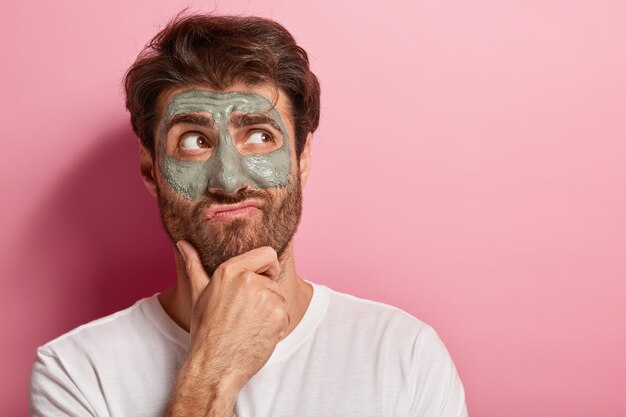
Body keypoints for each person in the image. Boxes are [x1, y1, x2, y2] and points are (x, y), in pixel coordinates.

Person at [30, 13, 467, 417]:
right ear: (151, 168)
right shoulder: (76, 373)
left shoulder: (405, 355)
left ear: (302, 159)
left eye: (258, 135)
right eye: (194, 141)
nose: (230, 180)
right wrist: (212, 370)